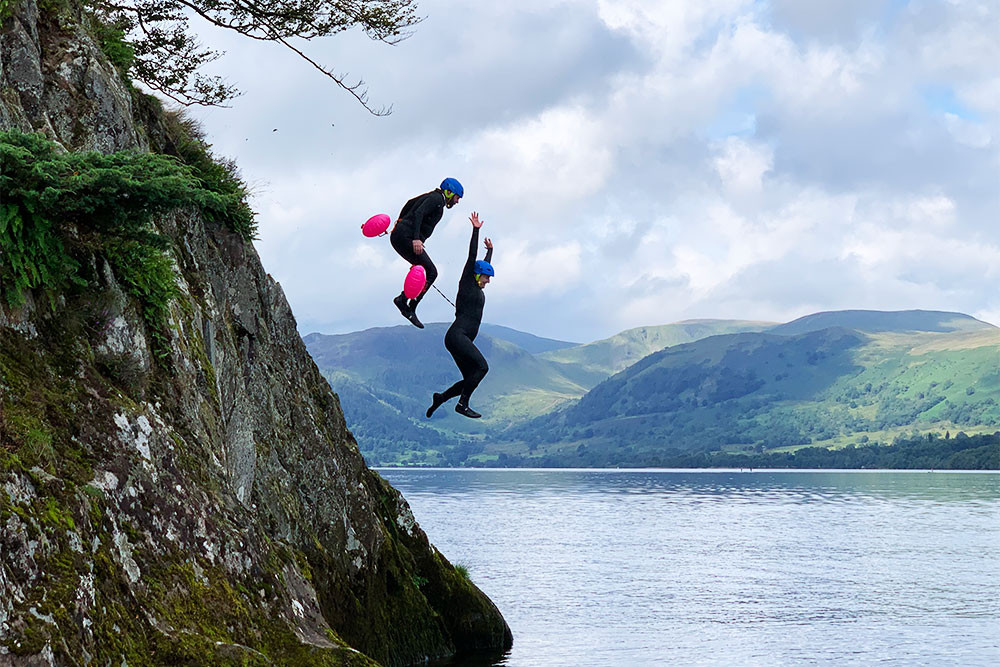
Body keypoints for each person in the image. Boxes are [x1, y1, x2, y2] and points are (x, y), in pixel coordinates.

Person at [426, 212, 494, 419]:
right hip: (457, 337)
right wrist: (476, 230)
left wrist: (490, 252)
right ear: (475, 275)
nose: (488, 281)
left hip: (459, 338)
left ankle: (442, 397)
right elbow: (472, 257)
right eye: (486, 277)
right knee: (482, 367)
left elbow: (482, 265)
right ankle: (462, 404)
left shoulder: (478, 288)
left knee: (471, 376)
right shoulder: (467, 281)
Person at [390, 177, 463, 328]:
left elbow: (410, 203)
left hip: (401, 236)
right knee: (432, 272)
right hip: (406, 237)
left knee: (425, 270)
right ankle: (407, 305)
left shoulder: (432, 196)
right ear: (449, 192)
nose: (457, 201)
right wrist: (416, 238)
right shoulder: (436, 199)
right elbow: (418, 213)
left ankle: (404, 301)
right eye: (457, 197)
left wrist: (399, 222)